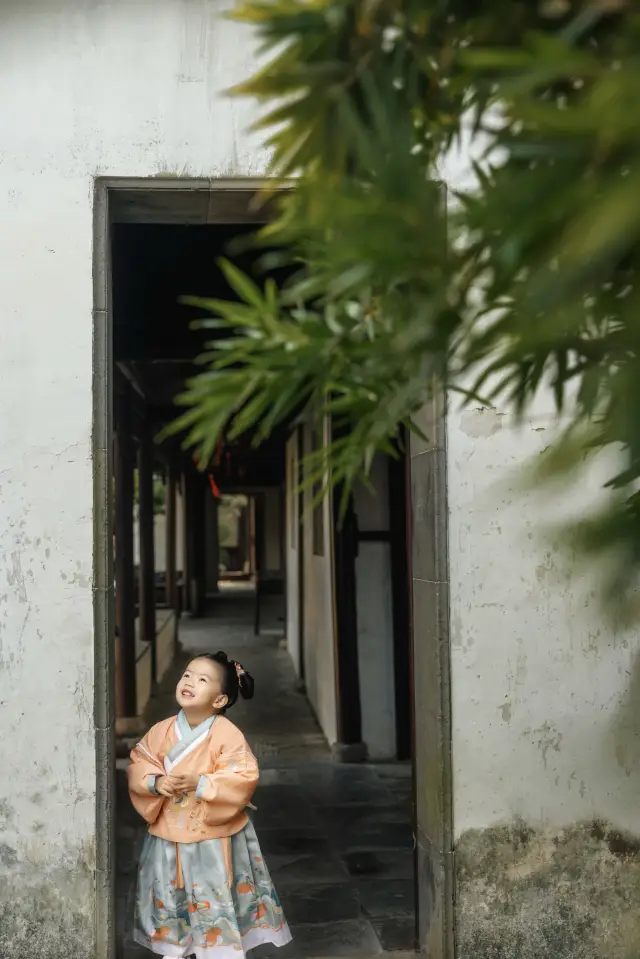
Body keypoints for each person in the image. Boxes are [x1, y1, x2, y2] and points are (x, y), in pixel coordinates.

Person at [127, 651, 291, 958]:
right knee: (169, 891)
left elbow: (243, 776)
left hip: (212, 837)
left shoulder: (227, 734)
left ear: (219, 701)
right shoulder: (161, 730)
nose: (189, 681)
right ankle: (176, 948)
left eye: (202, 679)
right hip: (170, 832)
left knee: (213, 894)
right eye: (187, 674)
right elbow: (141, 760)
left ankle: (219, 949)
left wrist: (201, 783)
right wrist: (155, 782)